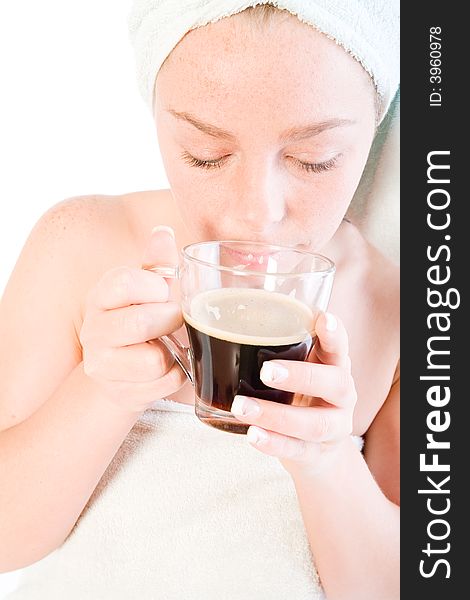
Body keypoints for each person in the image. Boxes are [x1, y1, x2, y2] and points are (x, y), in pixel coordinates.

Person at [0, 2, 400, 599]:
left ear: (375, 131)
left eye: (314, 159)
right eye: (205, 155)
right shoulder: (79, 245)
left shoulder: (401, 311)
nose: (255, 212)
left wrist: (327, 461)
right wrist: (103, 390)